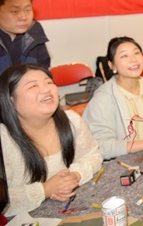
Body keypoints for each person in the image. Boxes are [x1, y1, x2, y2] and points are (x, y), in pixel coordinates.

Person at [0, 64, 102, 217]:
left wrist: (75, 176)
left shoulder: (71, 121)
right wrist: (45, 190)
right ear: (11, 99)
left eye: (49, 82)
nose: (46, 89)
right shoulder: (3, 140)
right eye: (33, 86)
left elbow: (93, 155)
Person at [83, 37, 143, 159]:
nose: (133, 59)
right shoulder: (103, 98)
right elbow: (101, 146)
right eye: (124, 56)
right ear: (112, 65)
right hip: (120, 162)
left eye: (136, 53)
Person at [0, 0, 50, 74]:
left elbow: (42, 70)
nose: (23, 17)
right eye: (15, 11)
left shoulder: (35, 33)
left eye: (27, 10)